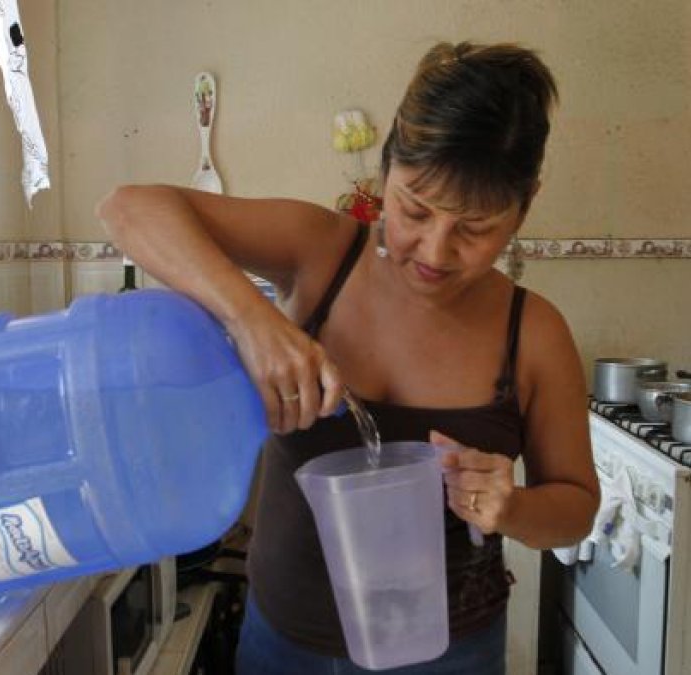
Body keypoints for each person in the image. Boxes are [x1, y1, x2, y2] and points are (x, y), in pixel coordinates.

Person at [97, 40, 599, 675]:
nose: (435, 251)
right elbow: (128, 209)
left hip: (451, 654)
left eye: (475, 230)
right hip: (283, 644)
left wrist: (512, 508)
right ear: (385, 169)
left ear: (525, 206)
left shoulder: (534, 333)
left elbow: (576, 508)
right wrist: (254, 323)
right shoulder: (320, 254)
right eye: (414, 208)